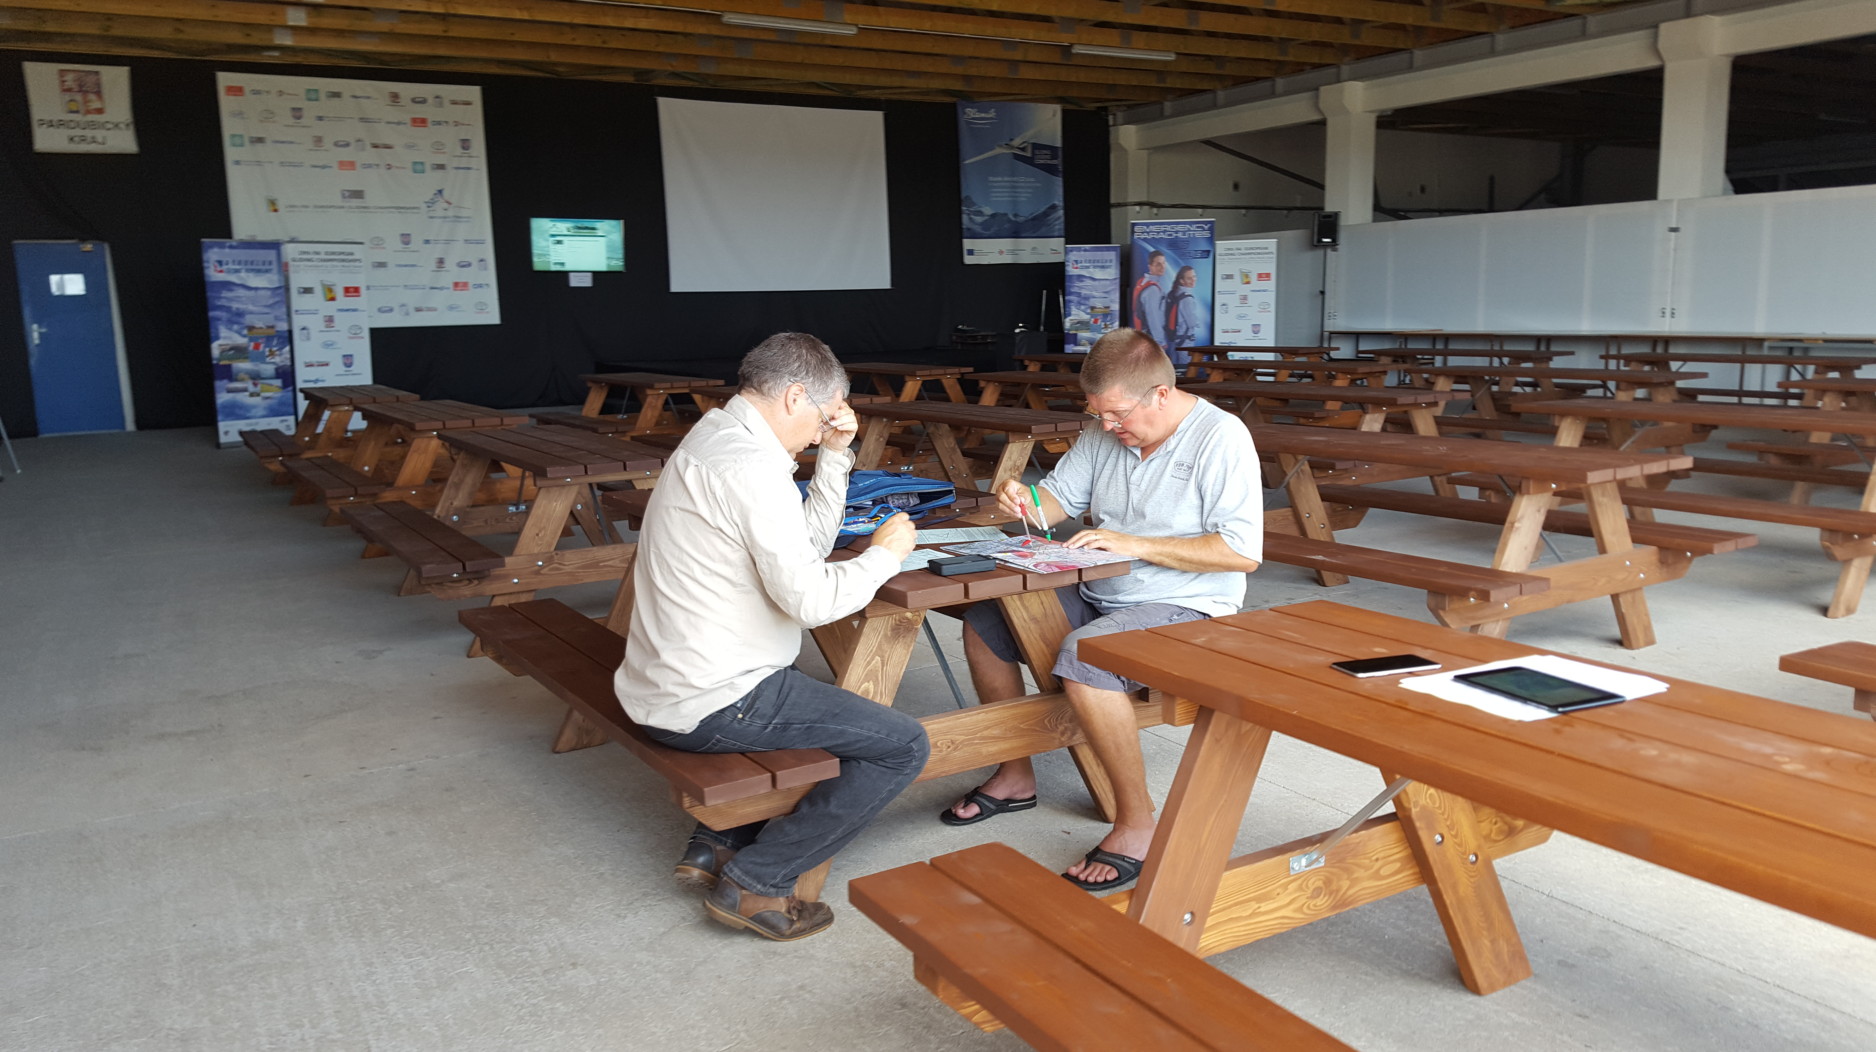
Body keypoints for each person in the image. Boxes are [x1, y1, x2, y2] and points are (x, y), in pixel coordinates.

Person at [615, 332, 930, 942]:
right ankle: (758, 881)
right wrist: (885, 555)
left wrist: (835, 456)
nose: (823, 429)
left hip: (660, 681)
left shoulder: (713, 435)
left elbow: (806, 549)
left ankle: (716, 841)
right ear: (793, 397)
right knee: (901, 745)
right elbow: (811, 602)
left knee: (813, 698)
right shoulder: (753, 469)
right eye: (826, 415)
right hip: (710, 699)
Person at [942, 327, 1262, 891]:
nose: (1108, 427)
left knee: (1087, 658)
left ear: (1161, 394)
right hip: (1103, 589)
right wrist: (1021, 496)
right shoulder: (1104, 431)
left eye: (1117, 414)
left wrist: (1132, 544)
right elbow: (1053, 504)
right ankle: (1015, 775)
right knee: (987, 622)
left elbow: (1240, 553)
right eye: (1098, 414)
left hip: (1189, 605)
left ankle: (1137, 822)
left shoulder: (1221, 437)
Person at [1130, 250, 1170, 356]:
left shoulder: (1143, 282)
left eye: (1163, 263)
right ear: (1150, 267)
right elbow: (1154, 319)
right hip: (1152, 340)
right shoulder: (1153, 290)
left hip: (1145, 337)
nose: (1162, 267)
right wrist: (1161, 343)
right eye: (1158, 264)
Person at [1164, 265, 1206, 366]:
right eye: (1189, 278)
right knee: (1186, 369)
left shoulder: (1173, 293)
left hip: (1173, 339)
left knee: (1174, 368)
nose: (1193, 280)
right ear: (1182, 281)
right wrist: (1198, 322)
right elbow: (1192, 323)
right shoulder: (1187, 299)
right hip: (1185, 341)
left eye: (1194, 276)